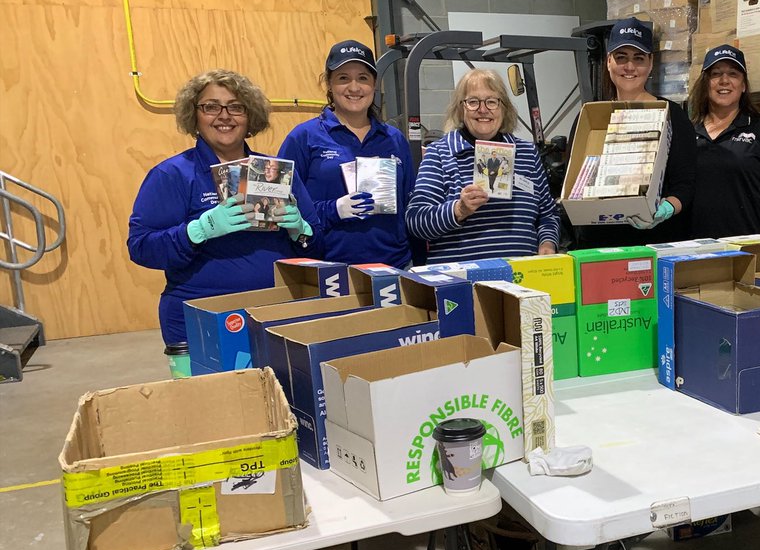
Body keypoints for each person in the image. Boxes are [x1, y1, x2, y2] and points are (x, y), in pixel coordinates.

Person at [128, 69, 318, 350]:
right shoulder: (173, 175)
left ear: (250, 116)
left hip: (275, 312)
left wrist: (301, 230)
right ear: (195, 116)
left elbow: (316, 244)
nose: (224, 115)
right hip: (201, 317)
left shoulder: (276, 172)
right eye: (211, 107)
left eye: (236, 107)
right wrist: (197, 231)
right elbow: (141, 247)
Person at [280, 40, 419, 268]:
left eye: (363, 78)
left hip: (394, 265)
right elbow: (283, 206)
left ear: (374, 84)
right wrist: (333, 209)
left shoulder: (394, 139)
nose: (354, 88)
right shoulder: (304, 137)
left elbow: (409, 205)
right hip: (328, 268)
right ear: (329, 84)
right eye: (343, 78)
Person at [405, 68, 558, 262]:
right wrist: (459, 210)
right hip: (464, 281)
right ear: (461, 108)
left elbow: (548, 214)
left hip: (523, 276)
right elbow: (416, 220)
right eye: (473, 102)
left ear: (504, 108)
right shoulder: (440, 153)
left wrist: (547, 243)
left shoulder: (526, 153)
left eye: (492, 101)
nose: (483, 109)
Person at [571, 17, 697, 247]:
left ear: (650, 64)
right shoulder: (589, 117)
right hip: (599, 244)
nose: (629, 67)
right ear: (608, 61)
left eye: (638, 59)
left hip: (657, 243)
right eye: (621, 58)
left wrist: (666, 209)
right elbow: (576, 180)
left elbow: (686, 185)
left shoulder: (673, 116)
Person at [687, 44, 760, 239]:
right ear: (706, 83)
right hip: (694, 249)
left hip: (747, 248)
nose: (724, 81)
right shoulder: (688, 131)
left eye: (733, 74)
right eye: (716, 74)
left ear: (743, 85)